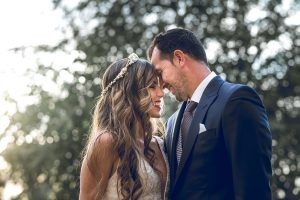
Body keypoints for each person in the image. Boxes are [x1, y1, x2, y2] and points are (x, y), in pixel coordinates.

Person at [148, 28, 272, 200]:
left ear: (179, 58)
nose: (160, 85)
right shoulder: (172, 123)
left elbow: (253, 190)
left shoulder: (237, 101)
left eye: (160, 73)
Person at [79, 53, 169, 200]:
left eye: (160, 86)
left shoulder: (158, 144)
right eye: (152, 86)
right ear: (129, 92)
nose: (161, 93)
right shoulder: (106, 142)